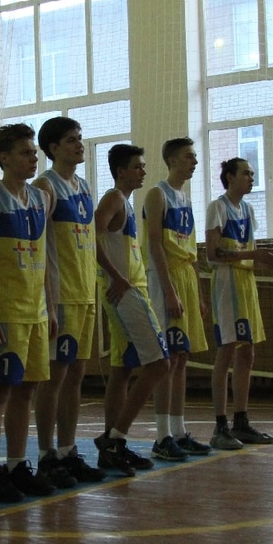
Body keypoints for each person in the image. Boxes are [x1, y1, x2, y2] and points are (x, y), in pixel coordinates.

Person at [0, 124, 58, 502]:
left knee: (28, 389)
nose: (33, 158)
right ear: (4, 158)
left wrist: (50, 307)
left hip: (35, 309)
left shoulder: (41, 198)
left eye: (34, 152)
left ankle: (17, 464)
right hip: (4, 309)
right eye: (25, 152)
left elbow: (44, 256)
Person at [31, 118, 107, 487]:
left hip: (84, 291)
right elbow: (37, 244)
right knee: (54, 376)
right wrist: (46, 299)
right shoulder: (45, 187)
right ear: (53, 148)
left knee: (76, 374)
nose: (79, 144)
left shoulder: (84, 186)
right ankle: (47, 455)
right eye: (71, 140)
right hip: (60, 295)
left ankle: (67, 449)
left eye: (80, 138)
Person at [205, 157, 273, 450]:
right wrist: (255, 256)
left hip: (246, 284)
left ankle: (241, 421)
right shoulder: (218, 207)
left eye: (253, 174)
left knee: (247, 352)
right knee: (227, 351)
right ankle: (220, 425)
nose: (251, 178)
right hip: (226, 285)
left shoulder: (248, 210)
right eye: (246, 173)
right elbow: (212, 254)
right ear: (230, 177)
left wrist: (272, 263)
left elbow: (250, 254)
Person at [93, 144, 171, 476]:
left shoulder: (124, 201)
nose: (143, 171)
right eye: (137, 166)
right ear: (121, 171)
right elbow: (90, 236)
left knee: (122, 368)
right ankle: (115, 438)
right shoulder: (113, 198)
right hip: (125, 292)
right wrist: (117, 277)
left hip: (126, 289)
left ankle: (114, 446)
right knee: (159, 364)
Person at [142, 138, 211, 462]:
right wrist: (169, 290)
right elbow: (155, 244)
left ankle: (179, 431)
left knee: (182, 358)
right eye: (188, 157)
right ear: (171, 160)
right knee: (167, 358)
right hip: (164, 277)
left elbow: (191, 250)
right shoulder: (157, 194)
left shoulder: (185, 197)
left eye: (194, 157)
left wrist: (198, 294)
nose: (193, 162)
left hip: (185, 277)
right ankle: (162, 436)